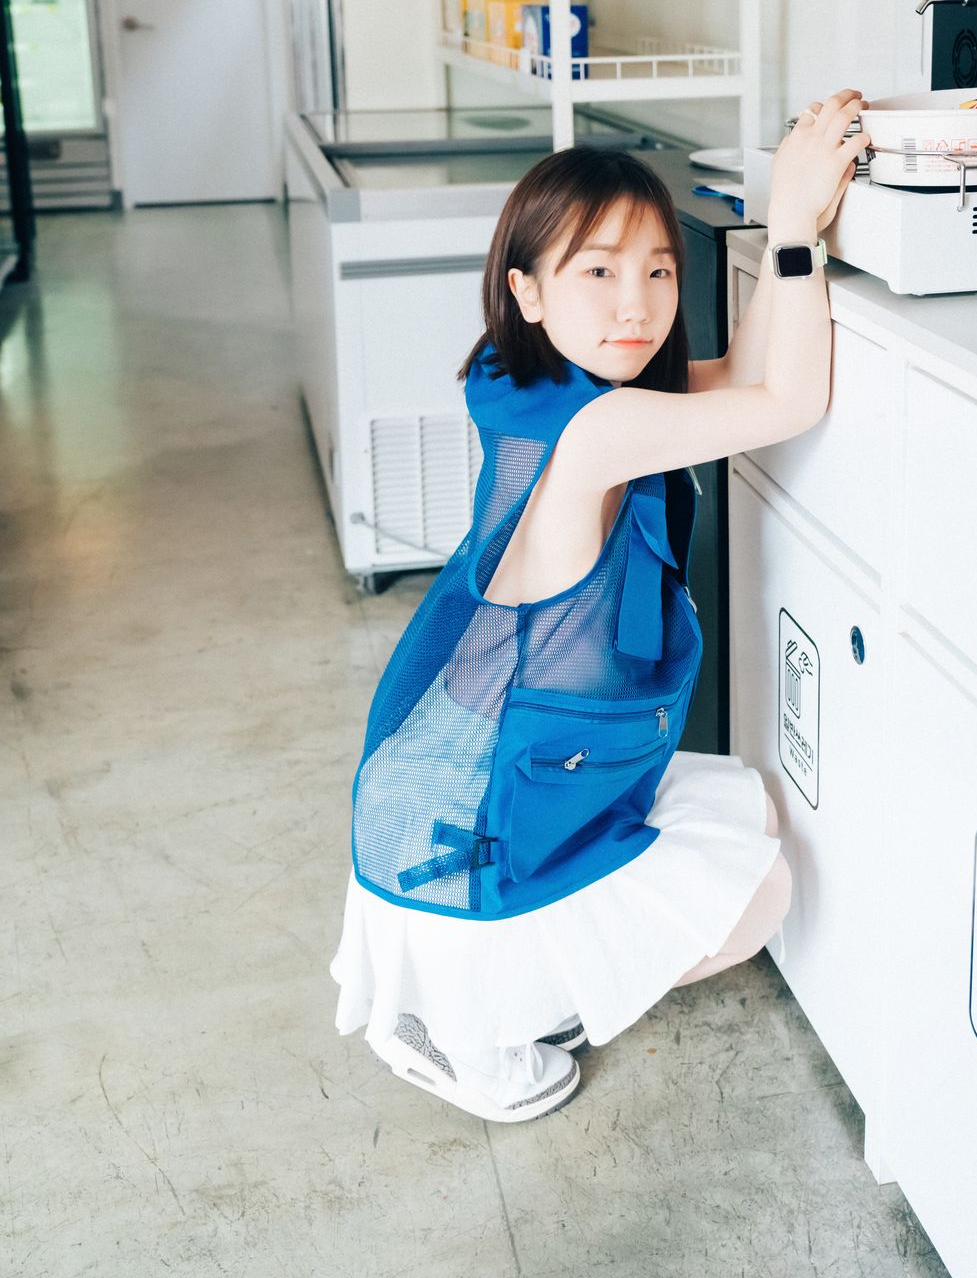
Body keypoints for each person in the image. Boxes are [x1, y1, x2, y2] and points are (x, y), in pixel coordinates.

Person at [330, 88, 868, 1122]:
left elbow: (742, 376)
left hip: (458, 769)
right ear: (528, 290)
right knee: (758, 895)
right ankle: (470, 1032)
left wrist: (788, 227)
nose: (638, 305)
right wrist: (795, 226)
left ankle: (505, 987)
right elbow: (789, 401)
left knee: (744, 817)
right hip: (475, 822)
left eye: (659, 271)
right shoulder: (601, 430)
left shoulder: (527, 376)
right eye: (600, 272)